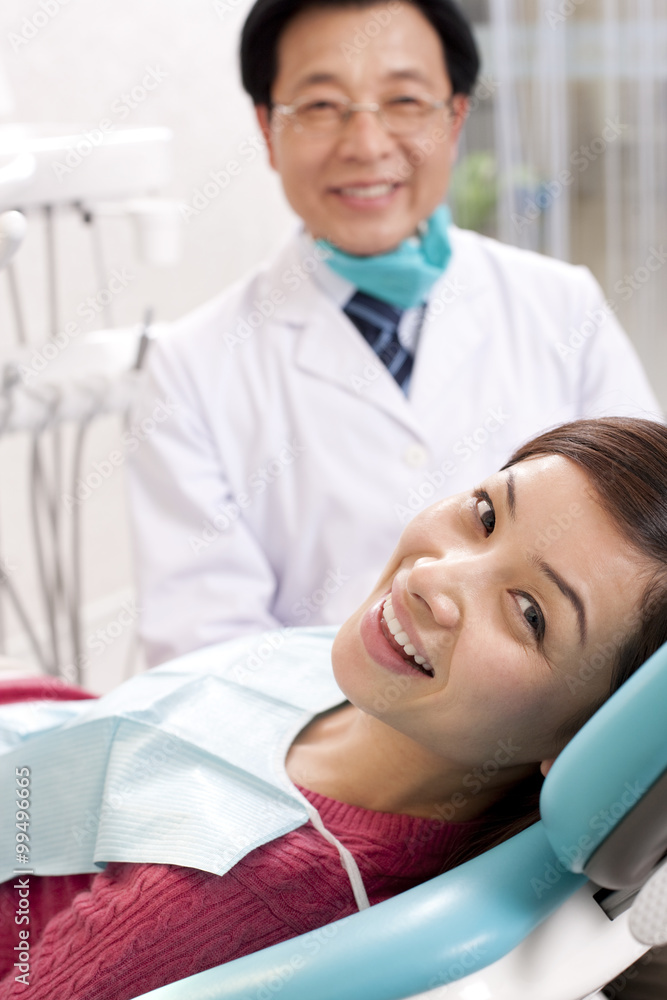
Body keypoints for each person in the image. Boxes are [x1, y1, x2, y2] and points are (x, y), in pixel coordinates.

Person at [2, 417, 667, 1000]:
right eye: (486, 516)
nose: (434, 577)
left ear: (586, 738)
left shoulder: (233, 894)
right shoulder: (371, 681)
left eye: (528, 614)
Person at [126, 0, 661, 669]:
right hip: (304, 753)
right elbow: (206, 653)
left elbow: (646, 551)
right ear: (267, 129)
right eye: (322, 106)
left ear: (455, 119)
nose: (367, 145)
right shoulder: (190, 369)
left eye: (404, 100)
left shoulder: (560, 305)